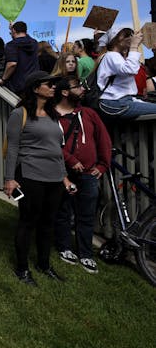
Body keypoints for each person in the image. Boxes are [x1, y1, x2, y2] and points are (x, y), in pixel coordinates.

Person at [4, 71, 76, 286]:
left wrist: (64, 178)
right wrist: (9, 178)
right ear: (36, 88)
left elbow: (57, 149)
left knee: (48, 223)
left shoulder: (53, 115)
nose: (53, 87)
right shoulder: (20, 114)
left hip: (55, 178)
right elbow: (13, 147)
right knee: (28, 222)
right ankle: (22, 268)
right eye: (49, 84)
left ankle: (44, 265)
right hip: (30, 174)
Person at [53, 78, 111, 274]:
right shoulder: (51, 116)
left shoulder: (88, 114)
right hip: (62, 173)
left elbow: (103, 139)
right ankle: (65, 247)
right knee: (63, 212)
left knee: (86, 216)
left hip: (88, 174)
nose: (82, 89)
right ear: (65, 92)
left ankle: (86, 254)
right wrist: (70, 160)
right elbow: (51, 145)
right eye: (77, 86)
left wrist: (102, 166)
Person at [97, 28, 156, 119]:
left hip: (121, 101)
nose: (130, 38)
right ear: (115, 39)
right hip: (115, 102)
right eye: (126, 35)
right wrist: (134, 46)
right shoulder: (111, 55)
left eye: (131, 35)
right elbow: (130, 69)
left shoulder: (117, 56)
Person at [0, 21, 40, 94]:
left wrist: (3, 79)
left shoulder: (11, 45)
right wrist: (14, 28)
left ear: (14, 31)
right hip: (34, 83)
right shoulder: (34, 43)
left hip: (18, 86)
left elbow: (12, 64)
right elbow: (26, 37)